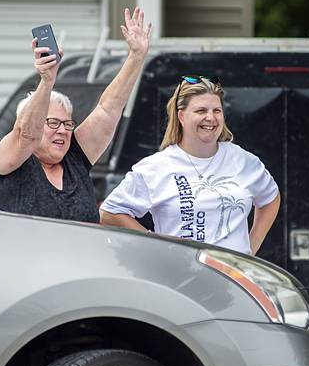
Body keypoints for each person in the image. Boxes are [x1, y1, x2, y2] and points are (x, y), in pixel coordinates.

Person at [0, 8, 152, 223]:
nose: (63, 130)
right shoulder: (13, 160)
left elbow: (108, 109)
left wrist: (136, 56)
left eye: (67, 124)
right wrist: (47, 81)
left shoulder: (75, 158)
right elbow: (27, 135)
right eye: (53, 123)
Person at [99, 76, 281, 256]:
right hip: (180, 277)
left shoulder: (242, 160)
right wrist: (154, 243)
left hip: (234, 278)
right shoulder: (156, 167)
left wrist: (251, 246)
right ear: (181, 116)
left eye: (217, 110)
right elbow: (110, 213)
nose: (210, 118)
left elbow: (270, 197)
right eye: (201, 110)